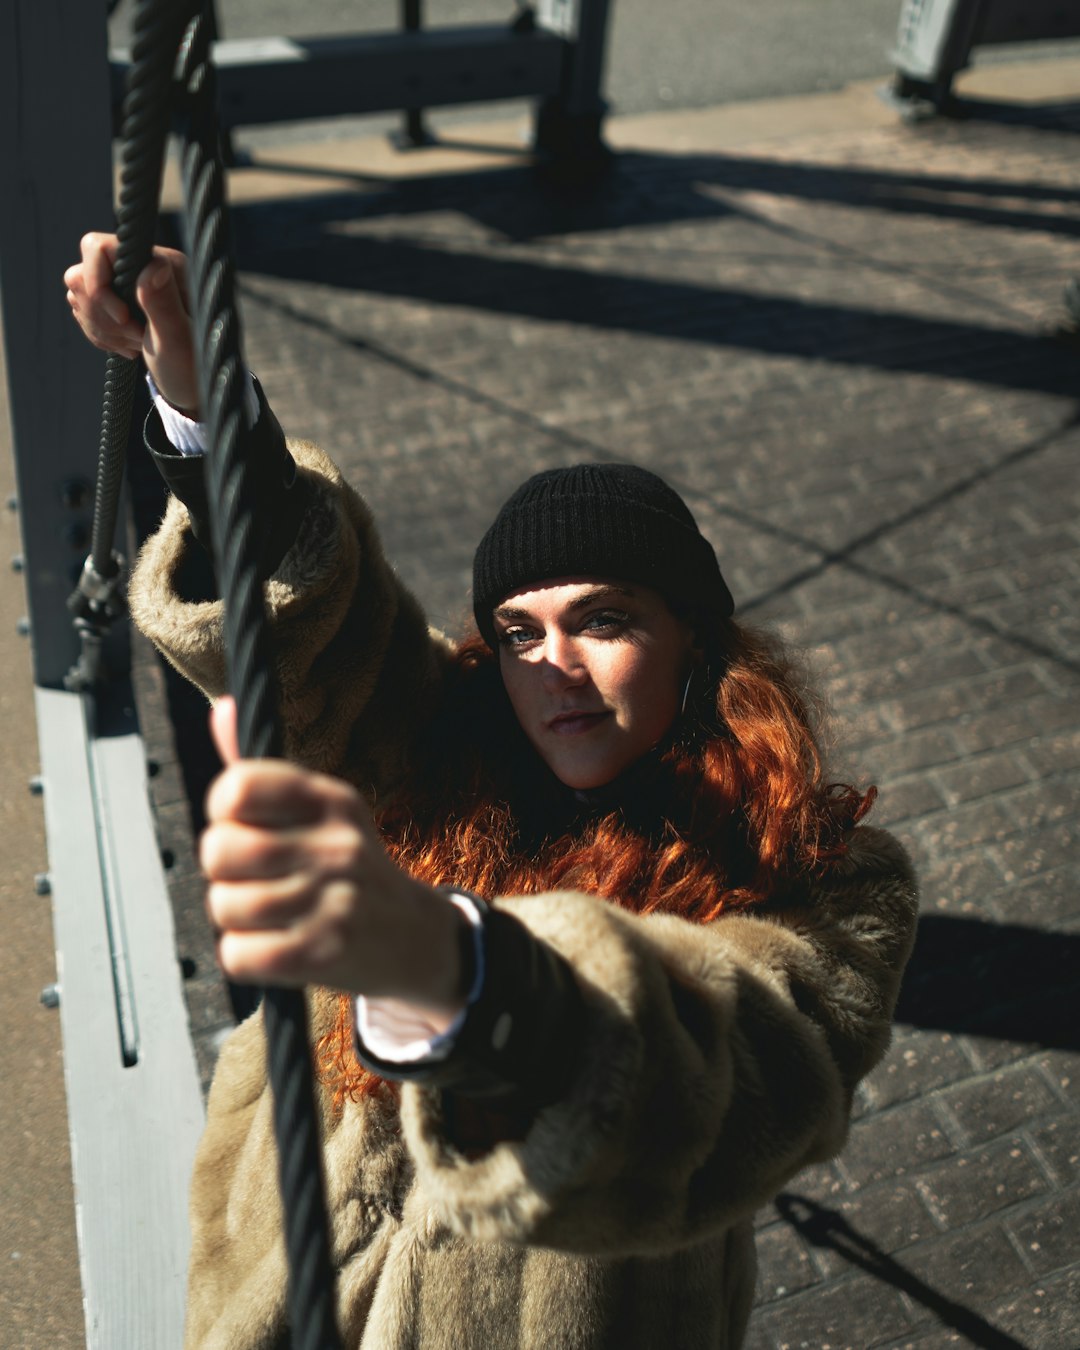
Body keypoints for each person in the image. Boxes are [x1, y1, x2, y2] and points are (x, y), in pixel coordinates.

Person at [66, 233, 918, 1350]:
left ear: (694, 646)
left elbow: (744, 1071)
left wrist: (451, 967)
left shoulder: (828, 871)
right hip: (275, 1284)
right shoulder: (437, 730)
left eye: (604, 621)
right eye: (520, 631)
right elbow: (312, 622)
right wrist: (193, 390)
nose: (553, 666)